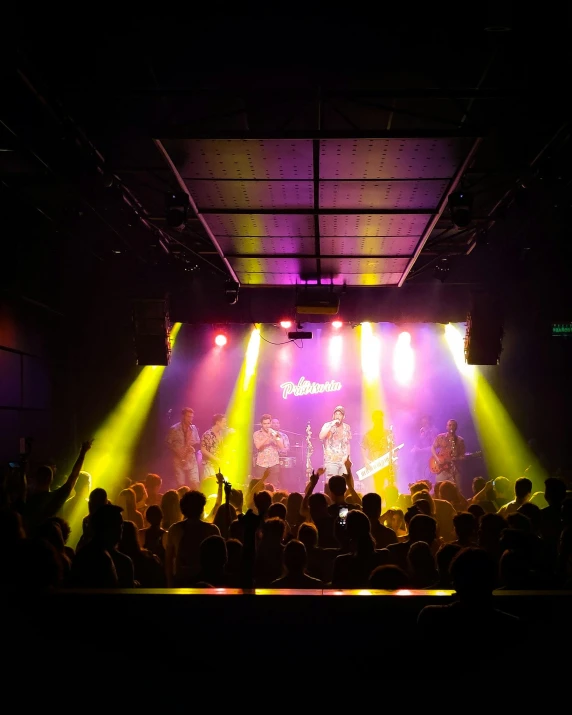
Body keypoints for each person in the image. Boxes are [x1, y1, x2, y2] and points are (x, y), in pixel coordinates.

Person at [165, 408, 201, 488]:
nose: (190, 419)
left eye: (191, 417)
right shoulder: (174, 429)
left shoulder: (193, 428)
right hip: (178, 460)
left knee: (195, 483)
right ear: (183, 416)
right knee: (181, 485)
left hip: (191, 459)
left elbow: (197, 441)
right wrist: (177, 451)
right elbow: (168, 443)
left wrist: (192, 447)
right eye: (188, 417)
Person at [360, 410, 395, 488]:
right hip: (375, 464)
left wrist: (394, 459)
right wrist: (365, 460)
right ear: (374, 420)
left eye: (381, 419)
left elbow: (393, 447)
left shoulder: (388, 433)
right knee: (379, 486)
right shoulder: (368, 434)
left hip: (387, 464)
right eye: (378, 419)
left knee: (391, 485)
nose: (380, 421)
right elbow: (363, 447)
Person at [319, 405, 352, 478]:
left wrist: (348, 457)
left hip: (343, 461)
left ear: (343, 417)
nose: (337, 416)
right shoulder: (328, 425)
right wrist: (331, 424)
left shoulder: (347, 427)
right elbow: (321, 436)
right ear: (333, 416)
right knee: (332, 484)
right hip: (331, 461)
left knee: (344, 484)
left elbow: (347, 443)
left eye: (340, 414)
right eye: (336, 414)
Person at [431, 419, 466, 484]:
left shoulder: (460, 440)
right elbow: (432, 448)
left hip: (454, 470)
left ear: (456, 427)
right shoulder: (441, 437)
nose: (451, 427)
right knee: (439, 488)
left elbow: (463, 456)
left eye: (453, 425)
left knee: (456, 490)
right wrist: (437, 459)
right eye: (449, 425)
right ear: (446, 427)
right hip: (442, 469)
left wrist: (456, 458)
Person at [253, 414, 284, 482]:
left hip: (274, 463)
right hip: (261, 464)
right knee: (260, 487)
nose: (267, 426)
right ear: (261, 424)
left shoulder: (276, 433)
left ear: (271, 423)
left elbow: (281, 446)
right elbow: (258, 446)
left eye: (268, 423)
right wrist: (268, 436)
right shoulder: (257, 434)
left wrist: (275, 436)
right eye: (265, 424)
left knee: (273, 486)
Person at [411, 415, 438, 481]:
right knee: (417, 473)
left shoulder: (434, 431)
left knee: (428, 476)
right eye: (423, 421)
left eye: (426, 421)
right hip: (420, 458)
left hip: (429, 457)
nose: (424, 423)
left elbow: (434, 446)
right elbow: (417, 443)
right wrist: (414, 449)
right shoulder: (421, 431)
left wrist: (421, 450)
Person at [200, 414, 227, 479]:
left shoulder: (221, 434)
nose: (225, 424)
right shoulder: (207, 434)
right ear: (217, 422)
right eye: (224, 422)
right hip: (209, 464)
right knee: (211, 485)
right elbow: (203, 450)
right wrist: (215, 458)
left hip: (219, 465)